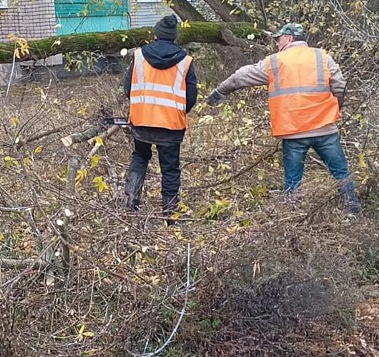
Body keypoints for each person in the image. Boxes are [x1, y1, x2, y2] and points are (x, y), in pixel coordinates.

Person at [206, 22, 361, 215]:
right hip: (325, 129)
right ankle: (353, 211)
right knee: (341, 173)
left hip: (294, 131)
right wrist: (335, 109)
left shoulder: (275, 61)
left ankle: (293, 215)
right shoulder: (323, 57)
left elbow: (241, 76)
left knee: (293, 181)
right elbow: (340, 86)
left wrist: (220, 91)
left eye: (279, 39)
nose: (277, 43)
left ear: (289, 39)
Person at [123, 14, 198, 224]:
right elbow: (191, 97)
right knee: (170, 167)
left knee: (140, 156)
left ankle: (131, 199)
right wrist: (177, 112)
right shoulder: (185, 61)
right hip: (170, 125)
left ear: (155, 34)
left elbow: (127, 89)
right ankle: (170, 212)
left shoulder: (138, 56)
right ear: (175, 37)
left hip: (141, 121)